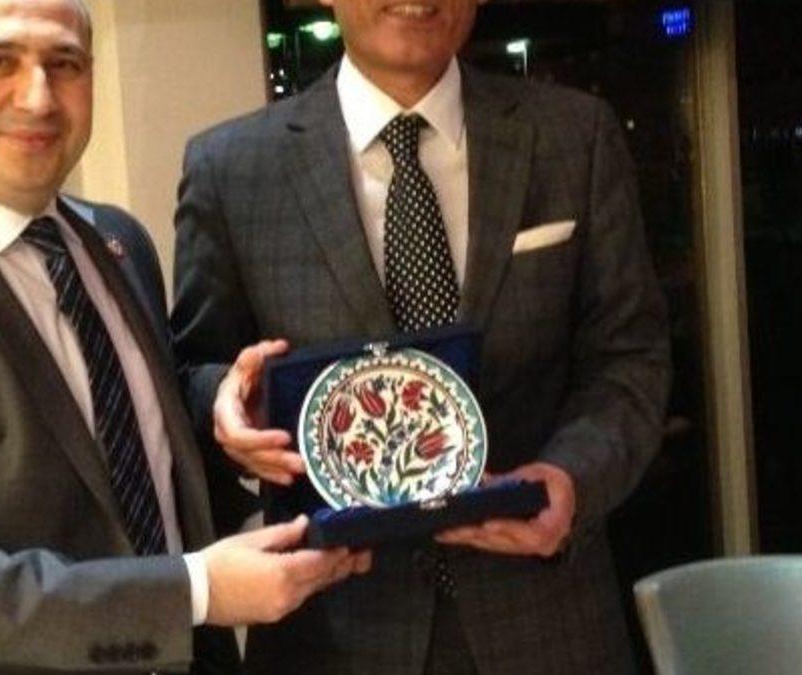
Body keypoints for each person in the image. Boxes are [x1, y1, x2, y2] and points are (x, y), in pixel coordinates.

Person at [0, 1, 369, 673]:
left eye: (64, 64)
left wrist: (226, 406)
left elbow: (134, 436)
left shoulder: (118, 241)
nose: (39, 97)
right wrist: (195, 591)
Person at [172, 0, 670, 673]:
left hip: (547, 619)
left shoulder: (573, 136)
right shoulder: (232, 167)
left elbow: (629, 359)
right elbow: (195, 371)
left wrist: (572, 479)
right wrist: (226, 406)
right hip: (333, 627)